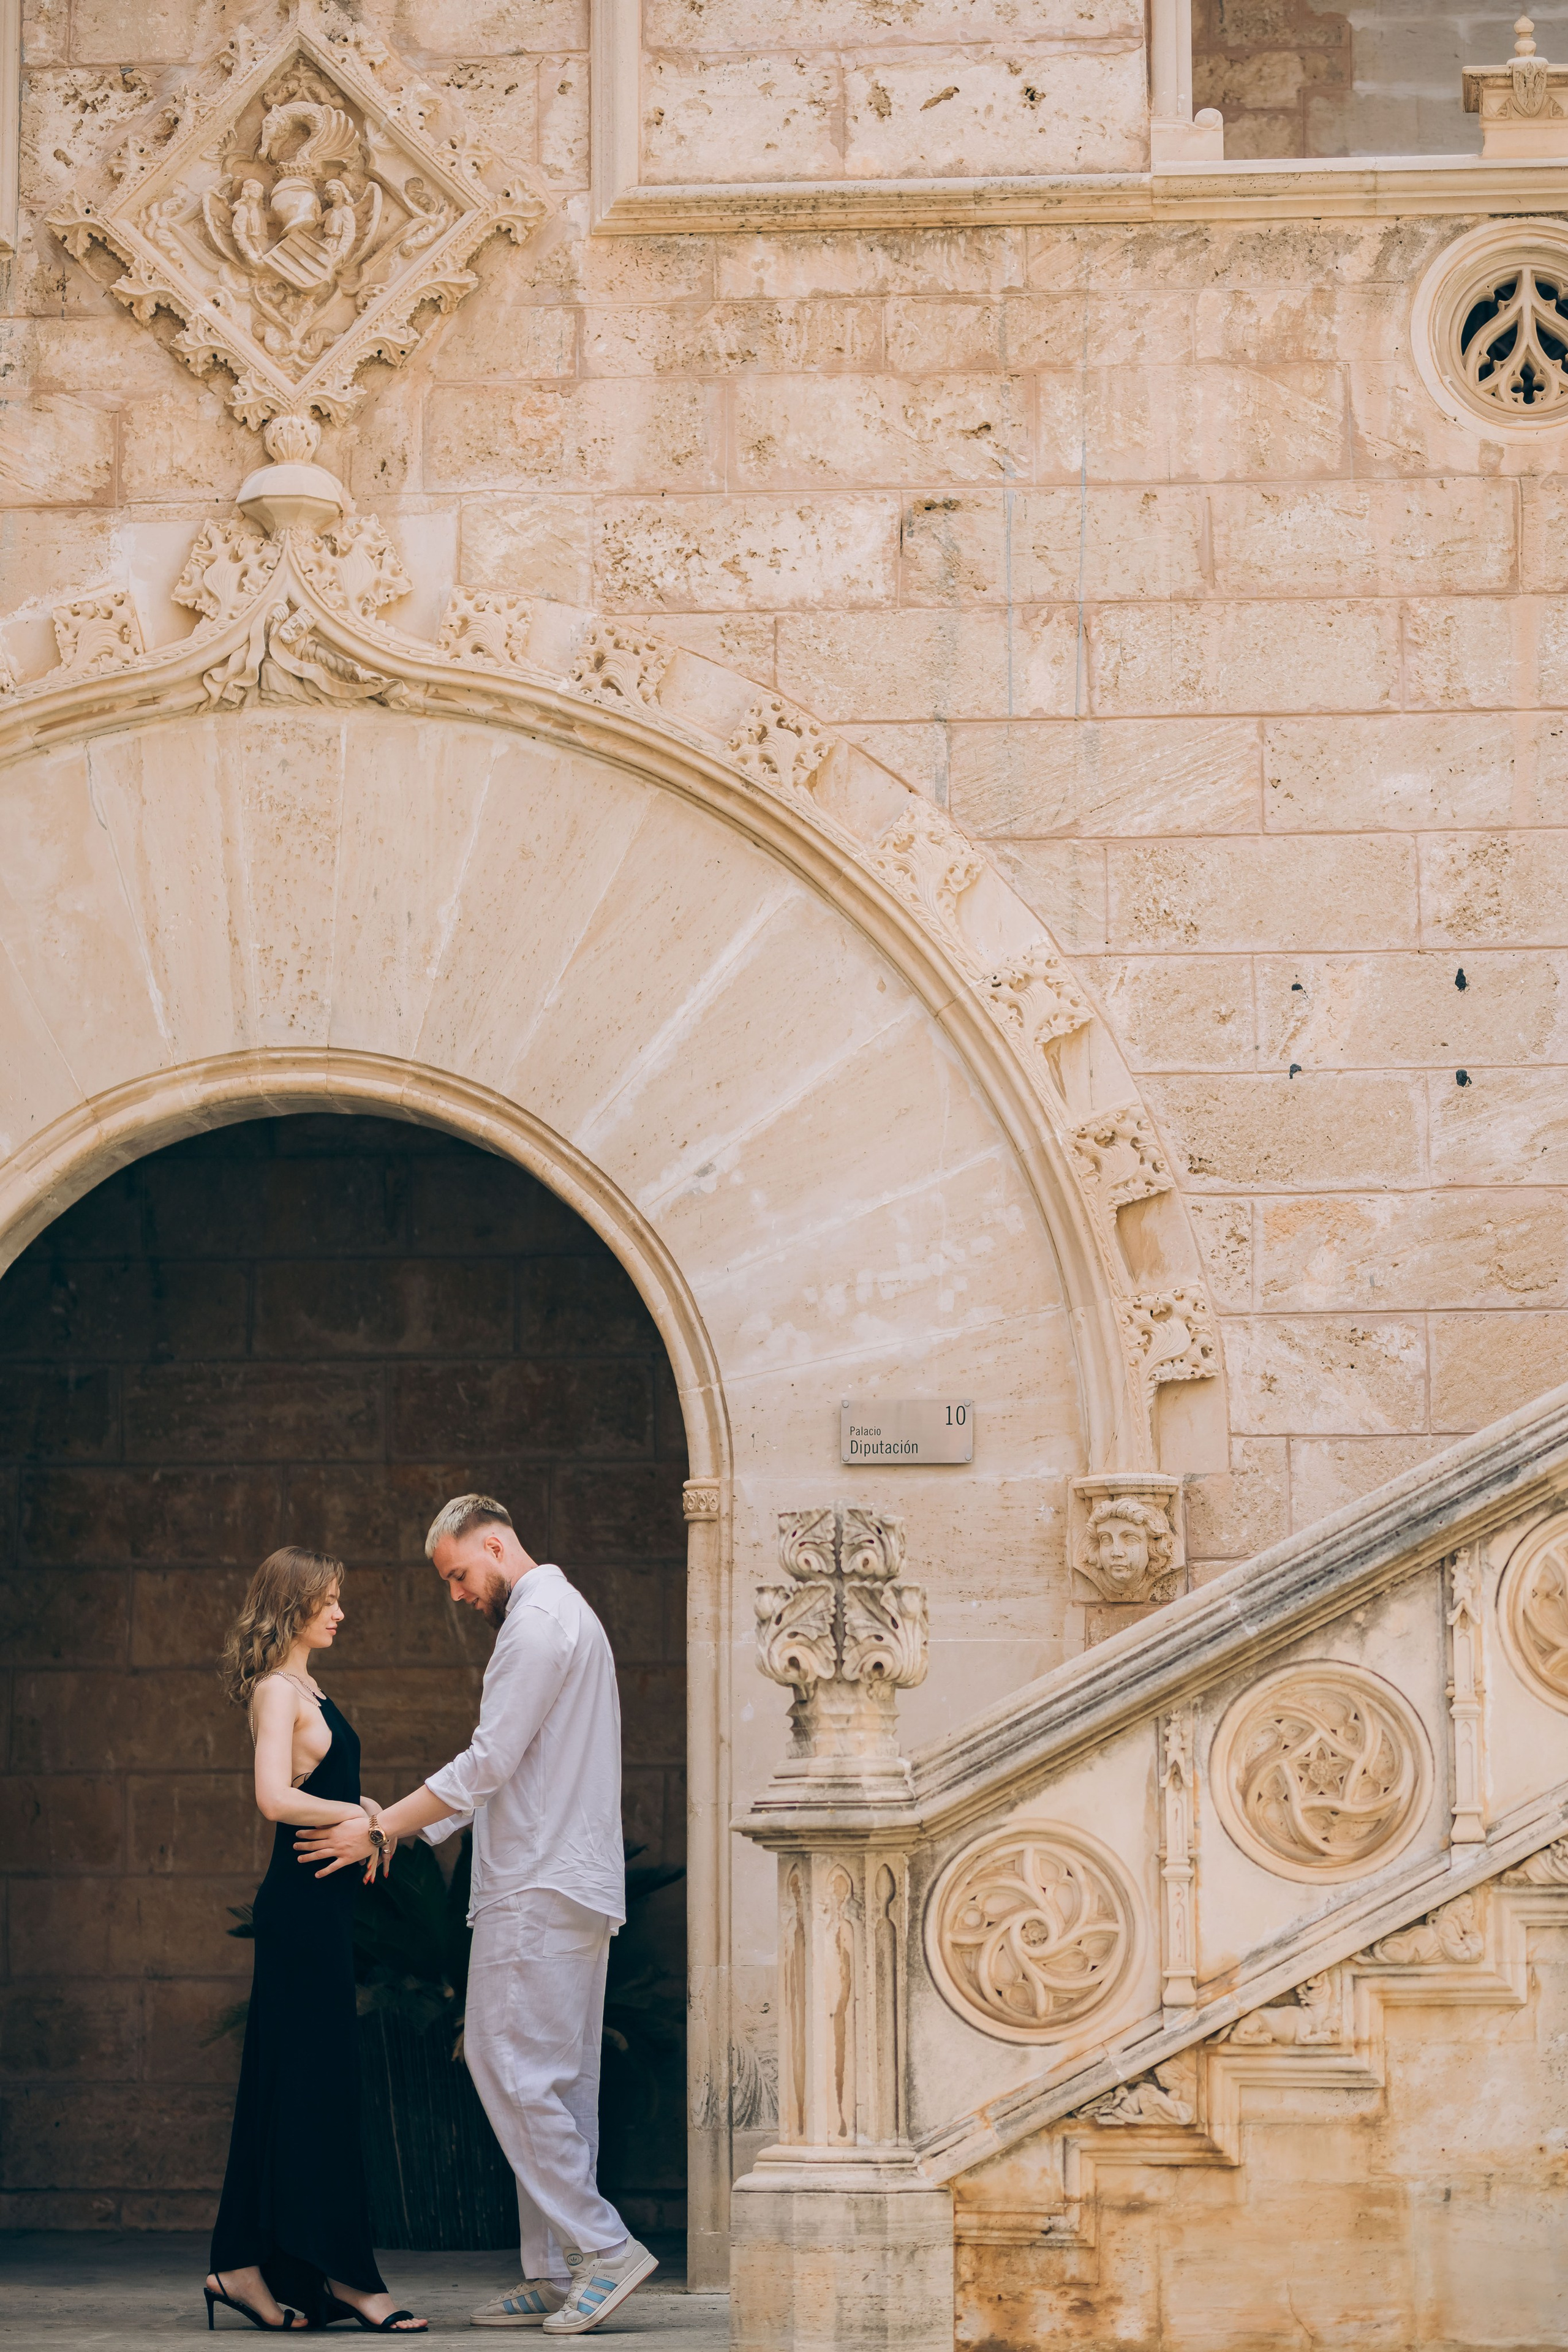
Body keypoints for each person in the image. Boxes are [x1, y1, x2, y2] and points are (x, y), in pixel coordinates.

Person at [296, 1497, 656, 2337]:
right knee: (560, 2079)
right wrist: (419, 1828)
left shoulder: (535, 1626)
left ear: (495, 1542)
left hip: (535, 1882)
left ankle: (602, 2249)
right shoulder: (569, 1615)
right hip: (569, 1877)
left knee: (505, 2062)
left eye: (459, 1573)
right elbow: (510, 1767)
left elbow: (489, 1759)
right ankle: (557, 2264)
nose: (457, 1593)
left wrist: (386, 1826)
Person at [206, 1546, 427, 2335]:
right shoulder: (277, 1690)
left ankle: (243, 2266)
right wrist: (363, 1820)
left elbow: (315, 1787)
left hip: (322, 1914)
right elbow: (273, 1799)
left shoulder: (310, 1688)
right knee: (312, 2089)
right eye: (327, 1600)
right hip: (301, 1915)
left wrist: (359, 1806)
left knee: (293, 2086)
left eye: (339, 1599)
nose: (339, 1612)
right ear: (291, 1606)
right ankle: (346, 2280)